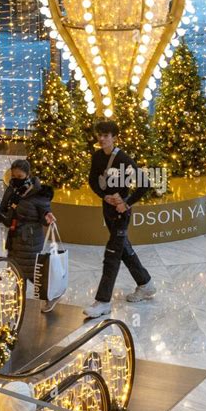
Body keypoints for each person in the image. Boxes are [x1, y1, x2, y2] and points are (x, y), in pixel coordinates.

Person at [84, 120, 155, 318]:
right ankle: (146, 284)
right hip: (107, 208)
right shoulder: (97, 156)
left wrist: (126, 203)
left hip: (121, 213)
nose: (102, 138)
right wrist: (103, 195)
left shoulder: (123, 159)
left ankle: (103, 301)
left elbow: (144, 184)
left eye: (106, 135)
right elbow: (92, 180)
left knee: (112, 254)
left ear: (115, 138)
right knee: (124, 249)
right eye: (100, 135)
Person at [0, 159, 58, 312]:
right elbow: (3, 213)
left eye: (20, 177)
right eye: (14, 176)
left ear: (28, 175)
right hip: (15, 238)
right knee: (17, 272)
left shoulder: (38, 192)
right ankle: (19, 301)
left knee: (31, 272)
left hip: (30, 239)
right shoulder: (12, 190)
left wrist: (48, 217)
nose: (16, 179)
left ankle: (51, 296)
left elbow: (44, 215)